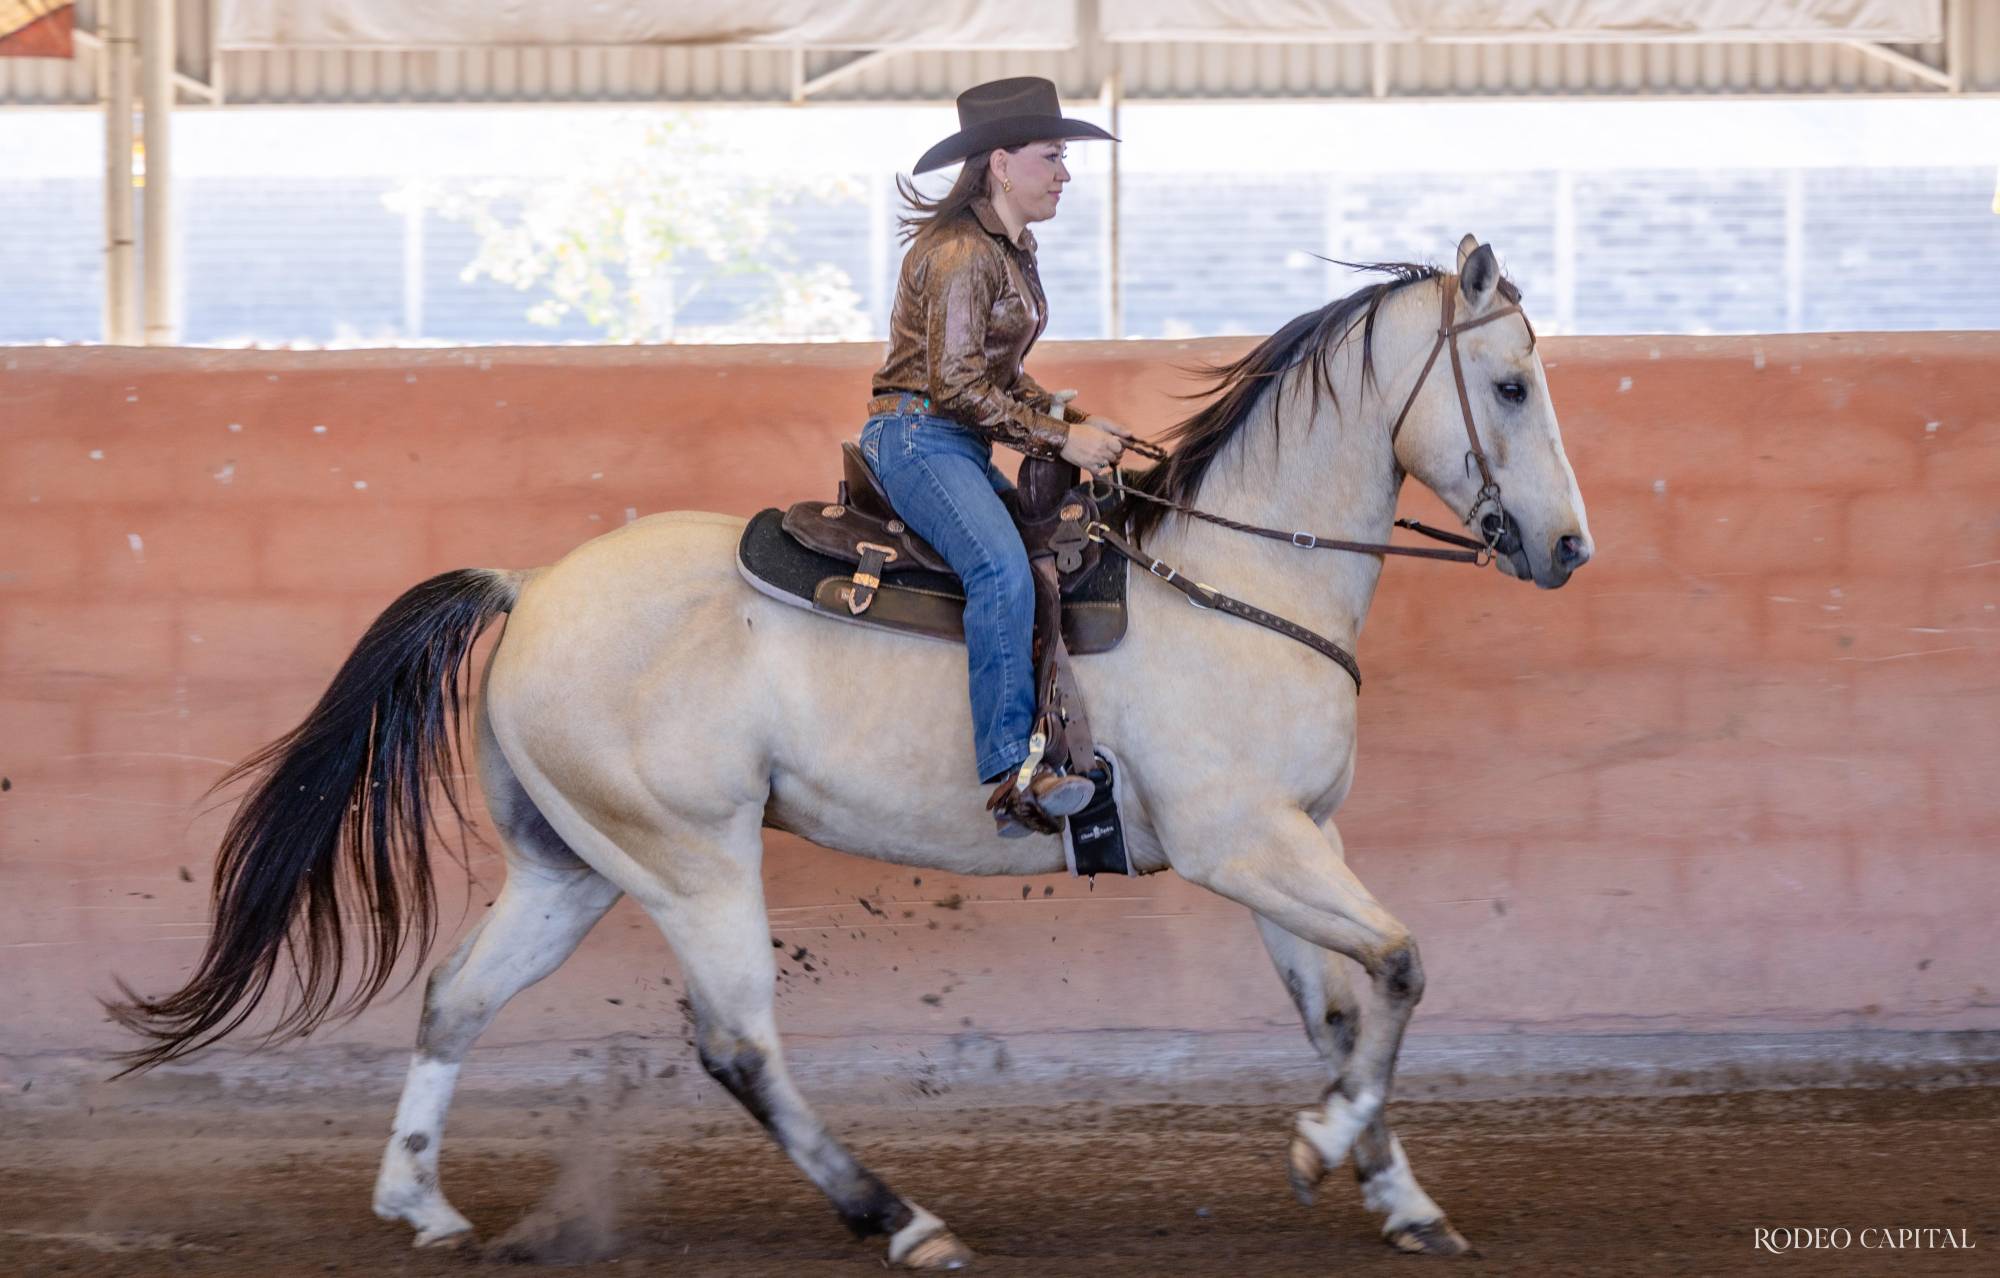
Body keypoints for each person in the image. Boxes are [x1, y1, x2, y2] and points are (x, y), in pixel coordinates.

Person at [860, 77, 1131, 838]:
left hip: (953, 437)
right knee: (1000, 570)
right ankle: (1015, 769)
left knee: (1052, 560)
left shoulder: (1010, 250)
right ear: (1001, 164)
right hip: (918, 437)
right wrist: (1060, 437)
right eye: (1052, 157)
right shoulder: (956, 255)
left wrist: (1069, 418)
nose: (1065, 175)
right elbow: (953, 385)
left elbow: (998, 378)